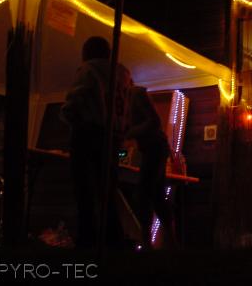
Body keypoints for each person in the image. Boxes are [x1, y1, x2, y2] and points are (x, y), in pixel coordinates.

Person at [60, 36, 132, 248]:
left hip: (89, 132)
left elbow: (76, 100)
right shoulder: (123, 74)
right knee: (107, 189)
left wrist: (67, 116)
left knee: (84, 188)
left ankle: (87, 238)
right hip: (113, 136)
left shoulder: (89, 70)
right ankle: (113, 238)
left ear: (87, 52)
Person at [125, 85, 176, 250]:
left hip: (155, 147)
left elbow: (154, 121)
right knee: (156, 196)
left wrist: (129, 132)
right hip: (153, 148)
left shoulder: (136, 93)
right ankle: (170, 244)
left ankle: (147, 243)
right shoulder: (129, 96)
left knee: (144, 194)